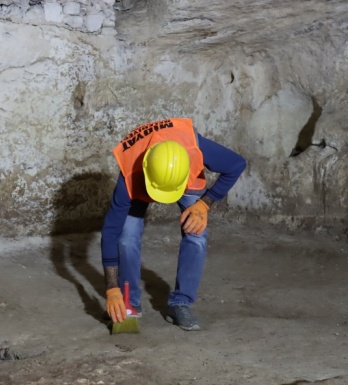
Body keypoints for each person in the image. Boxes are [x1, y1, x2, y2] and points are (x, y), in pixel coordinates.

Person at [101, 118, 247, 331]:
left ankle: (181, 303)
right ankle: (128, 301)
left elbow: (237, 164)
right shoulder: (130, 173)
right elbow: (110, 231)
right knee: (126, 237)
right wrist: (111, 288)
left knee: (197, 233)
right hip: (145, 178)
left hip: (184, 179)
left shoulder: (196, 147)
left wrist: (205, 204)